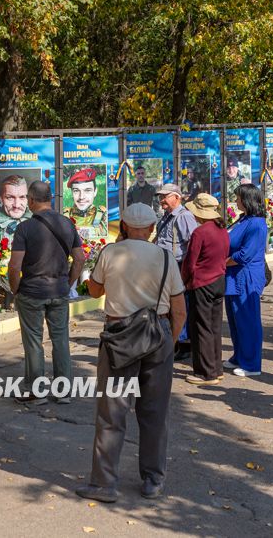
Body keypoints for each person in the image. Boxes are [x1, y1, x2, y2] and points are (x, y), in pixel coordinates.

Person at [75, 203, 187, 503]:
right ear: (152, 228)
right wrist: (170, 341)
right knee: (155, 412)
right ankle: (153, 480)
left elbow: (96, 291)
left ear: (123, 226)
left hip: (118, 337)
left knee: (112, 412)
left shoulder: (110, 253)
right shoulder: (165, 256)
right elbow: (179, 309)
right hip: (158, 334)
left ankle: (104, 484)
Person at [8, 181, 86, 404]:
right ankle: (63, 393)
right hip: (59, 290)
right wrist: (68, 282)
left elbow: (14, 266)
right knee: (60, 339)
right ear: (50, 199)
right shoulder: (67, 224)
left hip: (32, 292)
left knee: (34, 341)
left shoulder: (25, 228)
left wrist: (15, 289)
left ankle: (36, 391)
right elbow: (80, 258)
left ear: (31, 200)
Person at [180, 194, 229, 385]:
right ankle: (216, 368)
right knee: (214, 326)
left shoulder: (200, 233)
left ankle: (205, 373)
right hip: (219, 280)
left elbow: (190, 263)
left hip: (201, 283)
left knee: (201, 327)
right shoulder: (221, 229)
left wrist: (183, 281)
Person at [224, 184, 269, 377]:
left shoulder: (257, 224)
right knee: (235, 319)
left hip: (246, 276)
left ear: (247, 200)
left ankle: (251, 364)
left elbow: (245, 254)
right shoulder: (244, 219)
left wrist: (221, 262)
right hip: (234, 275)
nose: (236, 201)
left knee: (248, 320)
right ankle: (239, 355)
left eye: (239, 198)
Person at [154, 183, 198, 362]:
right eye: (160, 196)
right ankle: (174, 341)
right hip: (165, 266)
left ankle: (184, 344)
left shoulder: (184, 216)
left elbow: (193, 245)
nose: (161, 199)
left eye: (165, 196)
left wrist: (187, 271)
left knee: (180, 305)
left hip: (178, 266)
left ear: (177, 197)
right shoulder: (166, 216)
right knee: (169, 306)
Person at [64, 168, 108, 240]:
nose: (81, 197)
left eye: (87, 190)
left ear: (95, 192)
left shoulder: (104, 215)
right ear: (72, 193)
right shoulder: (65, 216)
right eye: (76, 191)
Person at [0, 174, 32, 241]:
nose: (16, 205)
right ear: (1, 200)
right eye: (10, 197)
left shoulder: (38, 225)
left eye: (22, 197)